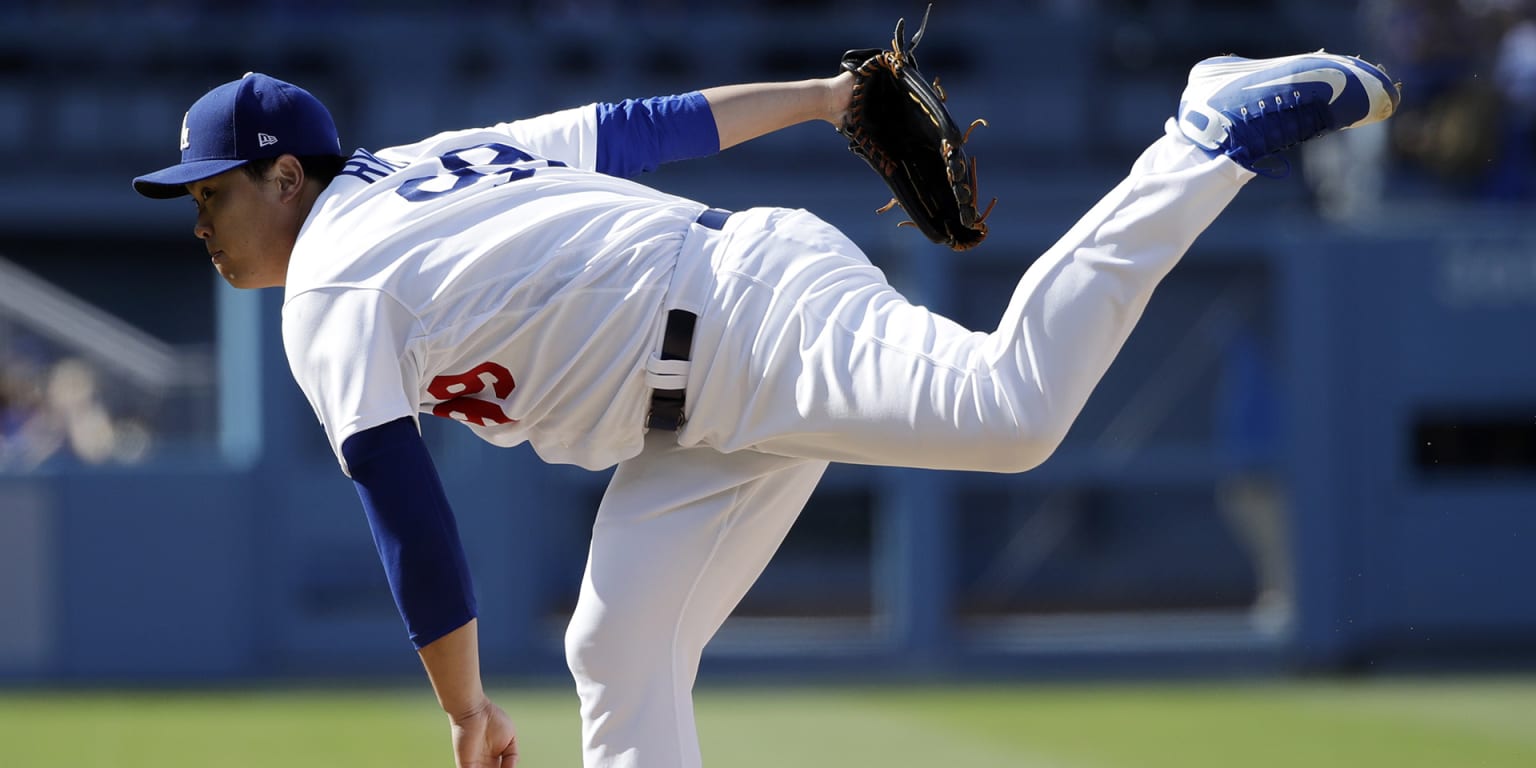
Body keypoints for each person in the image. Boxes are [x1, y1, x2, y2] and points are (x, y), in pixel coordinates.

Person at [132, 46, 1399, 768]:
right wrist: (814, 95)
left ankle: (1204, 132)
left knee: (1012, 411)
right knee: (616, 652)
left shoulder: (334, 280)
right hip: (701, 408)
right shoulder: (423, 165)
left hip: (751, 323)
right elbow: (636, 129)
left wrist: (465, 710)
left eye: (210, 194)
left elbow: (406, 511)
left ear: (283, 178)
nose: (197, 218)